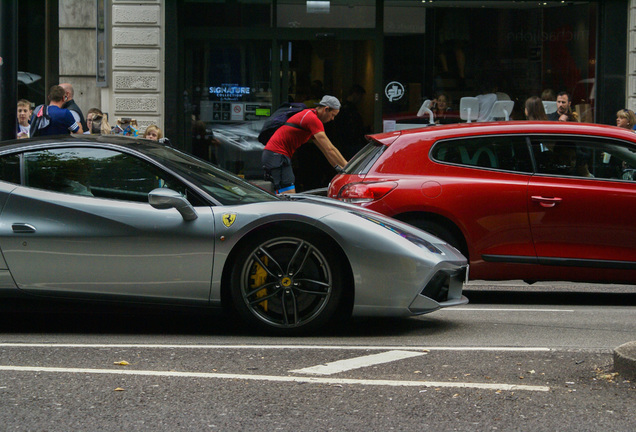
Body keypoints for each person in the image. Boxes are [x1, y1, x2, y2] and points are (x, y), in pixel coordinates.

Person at [262, 95, 348, 194]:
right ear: (326, 109)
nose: (332, 119)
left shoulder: (309, 116)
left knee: (282, 193)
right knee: (288, 194)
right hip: (277, 155)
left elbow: (325, 151)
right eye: (333, 115)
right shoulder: (312, 119)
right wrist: (348, 167)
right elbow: (330, 149)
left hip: (275, 155)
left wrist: (340, 169)